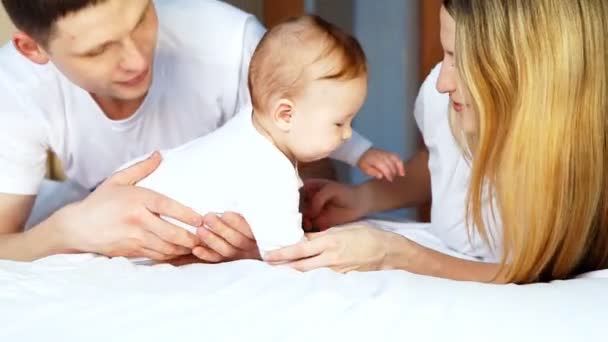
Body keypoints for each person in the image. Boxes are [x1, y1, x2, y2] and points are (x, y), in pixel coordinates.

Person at [0, 0, 401, 262]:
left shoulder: (230, 41)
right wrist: (72, 227)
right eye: (98, 49)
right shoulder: (14, 89)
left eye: (141, 18)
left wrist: (258, 239)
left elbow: (309, 164)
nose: (136, 58)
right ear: (32, 49)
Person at [265, 0, 608, 284]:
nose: (442, 82)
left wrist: (397, 254)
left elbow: (532, 277)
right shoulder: (442, 98)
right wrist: (364, 197)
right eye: (445, 54)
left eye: (460, 59)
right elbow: (441, 164)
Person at [131, 15, 373, 259]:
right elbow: (289, 252)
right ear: (285, 115)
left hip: (135, 185)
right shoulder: (271, 171)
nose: (347, 134)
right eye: (339, 123)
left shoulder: (250, 124)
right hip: (140, 226)